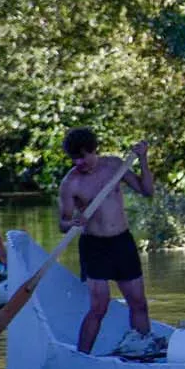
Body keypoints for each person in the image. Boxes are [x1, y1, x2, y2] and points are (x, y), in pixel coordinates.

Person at [58, 128, 159, 356]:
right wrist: (72, 222)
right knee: (99, 306)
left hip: (122, 242)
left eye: (83, 156)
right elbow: (62, 223)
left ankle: (143, 349)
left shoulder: (115, 166)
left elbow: (147, 191)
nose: (79, 162)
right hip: (94, 246)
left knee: (139, 303)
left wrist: (143, 158)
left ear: (95, 150)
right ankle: (82, 357)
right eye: (74, 158)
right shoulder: (70, 183)